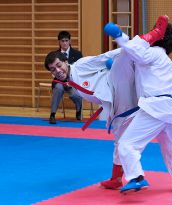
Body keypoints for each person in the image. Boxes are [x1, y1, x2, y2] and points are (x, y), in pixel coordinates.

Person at [104, 15, 172, 194]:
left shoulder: (152, 54)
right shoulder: (165, 60)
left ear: (159, 38)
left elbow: (135, 50)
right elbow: (133, 59)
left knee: (126, 145)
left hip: (153, 109)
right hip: (167, 110)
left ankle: (136, 177)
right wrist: (115, 66)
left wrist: (120, 36)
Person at [44, 48, 138, 190]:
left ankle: (135, 177)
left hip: (122, 95)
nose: (57, 70)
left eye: (58, 65)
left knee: (125, 142)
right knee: (123, 141)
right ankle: (117, 178)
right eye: (52, 69)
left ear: (65, 61)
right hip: (116, 101)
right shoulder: (70, 79)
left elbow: (105, 56)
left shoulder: (81, 65)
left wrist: (136, 45)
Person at [49, 31, 83, 124]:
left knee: (76, 95)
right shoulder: (54, 55)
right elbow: (51, 69)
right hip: (59, 81)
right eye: (62, 41)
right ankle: (52, 114)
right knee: (58, 89)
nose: (64, 43)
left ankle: (78, 110)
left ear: (70, 41)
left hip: (73, 82)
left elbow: (80, 70)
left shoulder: (77, 54)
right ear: (59, 42)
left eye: (66, 40)